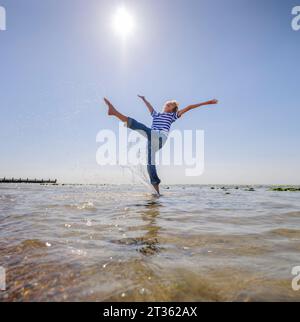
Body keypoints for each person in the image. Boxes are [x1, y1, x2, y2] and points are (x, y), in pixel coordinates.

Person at [103, 96, 218, 195]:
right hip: (151, 140)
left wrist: (206, 103)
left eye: (171, 105)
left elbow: (189, 107)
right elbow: (149, 107)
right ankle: (157, 192)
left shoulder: (173, 116)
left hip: (160, 138)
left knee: (142, 127)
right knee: (150, 164)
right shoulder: (156, 115)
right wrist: (144, 99)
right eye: (168, 103)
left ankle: (114, 112)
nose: (168, 104)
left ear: (173, 109)